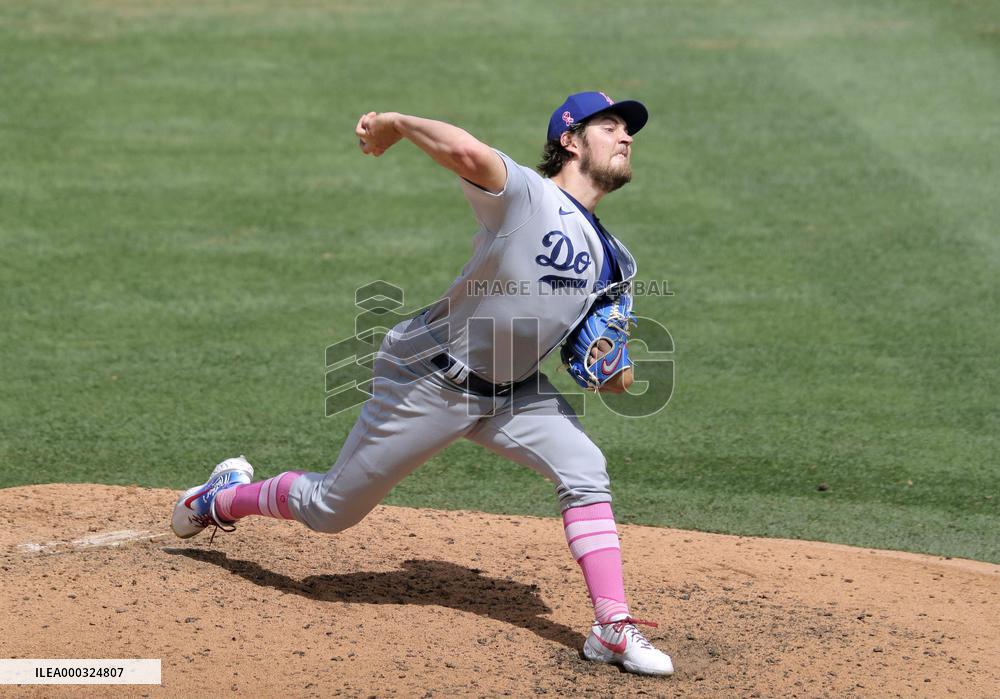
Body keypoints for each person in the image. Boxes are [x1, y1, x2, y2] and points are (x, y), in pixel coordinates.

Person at [170, 91, 674, 676]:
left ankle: (612, 626)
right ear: (569, 140)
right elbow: (462, 149)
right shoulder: (525, 197)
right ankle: (219, 497)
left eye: (628, 130)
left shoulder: (614, 257)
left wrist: (614, 367)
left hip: (514, 392)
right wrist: (394, 124)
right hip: (428, 381)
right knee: (332, 509)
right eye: (609, 126)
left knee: (585, 469)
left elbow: (612, 375)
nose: (625, 137)